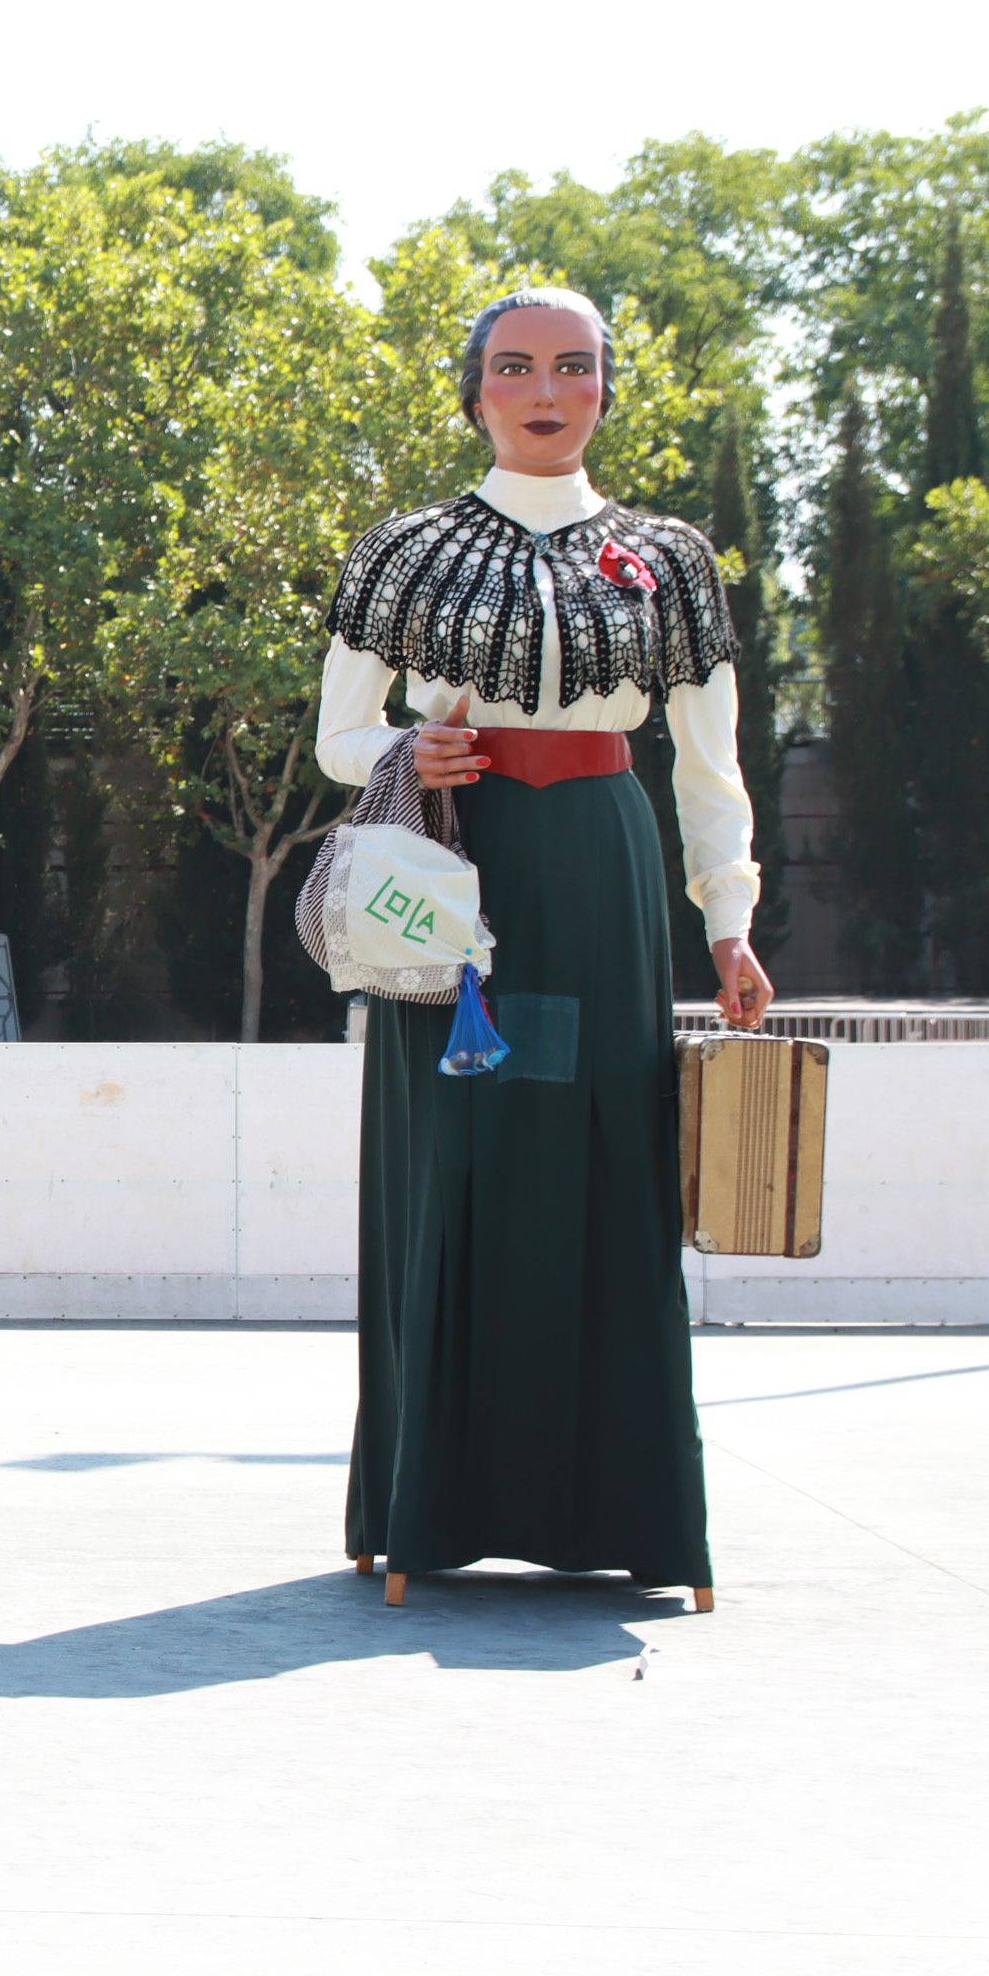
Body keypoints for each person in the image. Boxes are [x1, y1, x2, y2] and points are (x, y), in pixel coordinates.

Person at [319, 287, 773, 1611]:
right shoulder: (404, 551)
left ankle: (628, 1514)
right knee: (448, 1161)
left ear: (604, 392)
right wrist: (412, 748)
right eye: (514, 367)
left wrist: (730, 924)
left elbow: (710, 765)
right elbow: (338, 740)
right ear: (474, 392)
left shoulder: (670, 558)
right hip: (451, 870)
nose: (544, 389)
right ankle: (426, 1510)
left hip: (603, 869)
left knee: (607, 1161)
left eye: (574, 367)